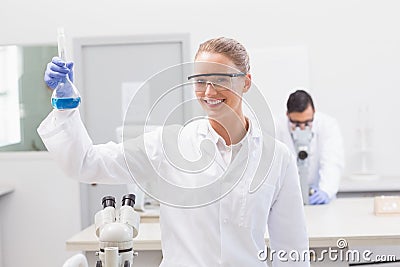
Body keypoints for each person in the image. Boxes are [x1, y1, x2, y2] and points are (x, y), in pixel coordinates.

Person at [38, 37, 309, 266]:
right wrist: (65, 107)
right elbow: (85, 163)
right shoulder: (168, 145)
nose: (209, 91)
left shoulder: (277, 157)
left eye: (220, 79)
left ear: (246, 82)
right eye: (200, 80)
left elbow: (292, 247)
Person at [275, 90, 344, 205]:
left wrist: (325, 191)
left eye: (307, 123)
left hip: (318, 198)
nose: (302, 128)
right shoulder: (276, 127)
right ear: (287, 115)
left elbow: (332, 162)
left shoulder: (328, 125)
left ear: (314, 113)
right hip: (286, 200)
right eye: (296, 123)